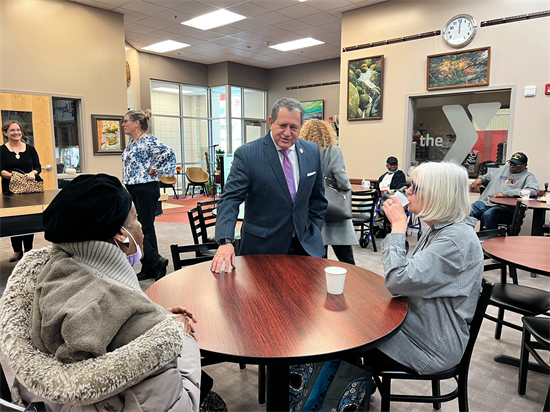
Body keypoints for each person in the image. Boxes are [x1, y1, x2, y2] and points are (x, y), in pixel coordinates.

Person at [0, 174, 203, 411]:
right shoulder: (141, 333)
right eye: (136, 219)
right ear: (120, 234)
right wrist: (178, 335)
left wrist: (151, 315)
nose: (142, 227)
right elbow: (181, 406)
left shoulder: (47, 278)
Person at [354, 161, 484, 376]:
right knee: (356, 315)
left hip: (430, 346)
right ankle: (355, 387)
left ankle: (346, 392)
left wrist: (397, 227)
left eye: (416, 187)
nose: (409, 191)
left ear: (438, 195)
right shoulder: (440, 229)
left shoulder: (454, 241)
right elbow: (411, 278)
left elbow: (397, 281)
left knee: (347, 337)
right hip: (420, 323)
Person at [211, 97, 327, 273]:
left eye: (293, 127)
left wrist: (313, 229)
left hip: (304, 247)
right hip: (262, 250)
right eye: (282, 125)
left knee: (304, 299)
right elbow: (230, 200)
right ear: (271, 122)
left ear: (300, 127)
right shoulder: (248, 154)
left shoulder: (312, 151)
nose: (287, 133)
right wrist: (225, 241)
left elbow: (318, 199)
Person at [122, 109, 176, 281]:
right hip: (133, 188)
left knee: (142, 227)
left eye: (126, 121)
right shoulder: (132, 142)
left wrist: (157, 169)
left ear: (137, 123)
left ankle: (155, 261)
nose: (123, 124)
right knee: (142, 228)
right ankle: (151, 266)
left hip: (145, 188)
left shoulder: (148, 140)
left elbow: (169, 154)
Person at [299, 119, 357, 265]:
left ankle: (321, 287)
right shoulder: (334, 151)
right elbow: (342, 181)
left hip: (312, 210)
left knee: (318, 259)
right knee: (346, 259)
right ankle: (350, 285)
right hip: (335, 210)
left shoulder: (302, 152)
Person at [0, 120, 43, 262]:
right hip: (10, 190)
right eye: (12, 130)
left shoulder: (30, 148)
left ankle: (29, 250)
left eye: (18, 130)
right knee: (15, 219)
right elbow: (1, 171)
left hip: (29, 189)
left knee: (27, 218)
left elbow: (38, 167)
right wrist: (15, 175)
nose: (16, 132)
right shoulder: (1, 150)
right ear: (5, 133)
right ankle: (17, 250)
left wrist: (33, 173)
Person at [470, 152, 539, 230]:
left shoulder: (528, 177)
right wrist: (480, 179)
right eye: (511, 163)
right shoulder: (504, 168)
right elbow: (488, 176)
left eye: (517, 165)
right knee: (466, 210)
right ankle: (467, 238)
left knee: (489, 215)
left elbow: (533, 190)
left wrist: (506, 194)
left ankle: (492, 240)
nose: (512, 166)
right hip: (485, 202)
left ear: (525, 165)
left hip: (504, 208)